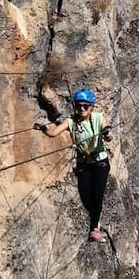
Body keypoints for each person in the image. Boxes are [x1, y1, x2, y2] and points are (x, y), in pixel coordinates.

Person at [34, 88, 112, 243]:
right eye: (78, 106)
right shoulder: (71, 121)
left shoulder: (97, 117)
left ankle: (94, 229)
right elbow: (54, 133)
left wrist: (106, 133)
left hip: (100, 162)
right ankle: (96, 217)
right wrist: (43, 128)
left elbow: (107, 132)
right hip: (83, 163)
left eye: (85, 106)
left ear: (91, 107)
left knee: (97, 196)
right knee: (85, 197)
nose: (81, 109)